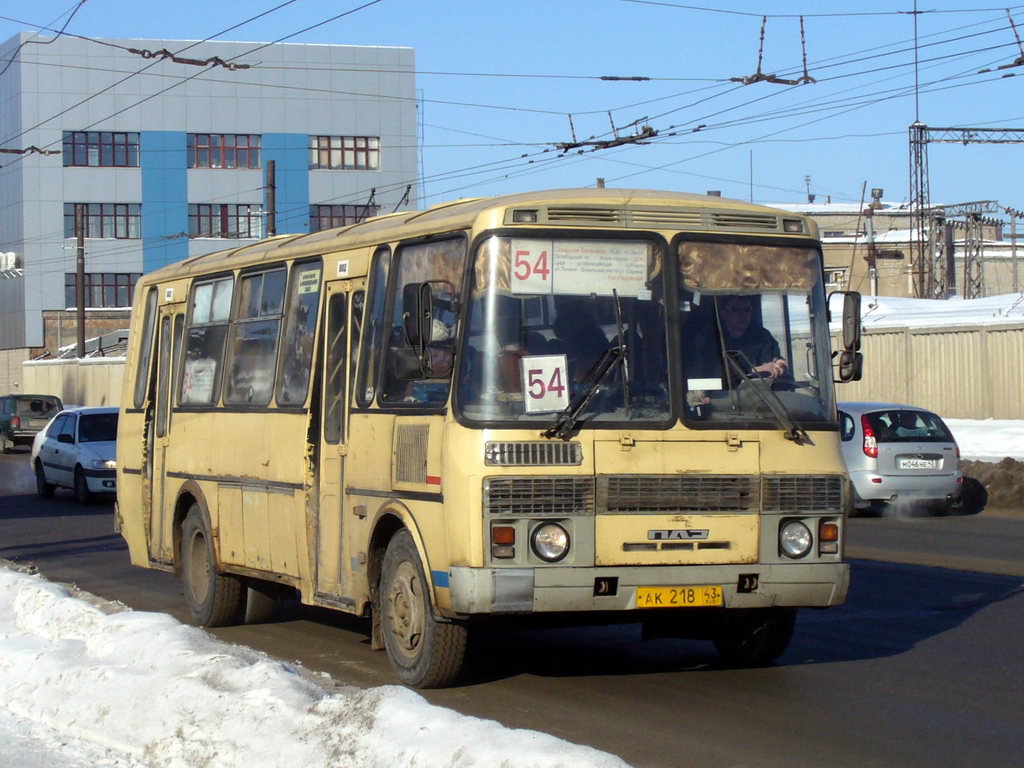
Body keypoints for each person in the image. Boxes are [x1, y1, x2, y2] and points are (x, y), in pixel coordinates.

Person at [716, 295, 788, 380]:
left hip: (762, 392)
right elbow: (716, 373)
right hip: (724, 392)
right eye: (736, 310)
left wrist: (779, 364)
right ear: (723, 313)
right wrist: (758, 370)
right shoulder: (712, 339)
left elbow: (772, 358)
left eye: (747, 310)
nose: (743, 315)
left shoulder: (762, 336)